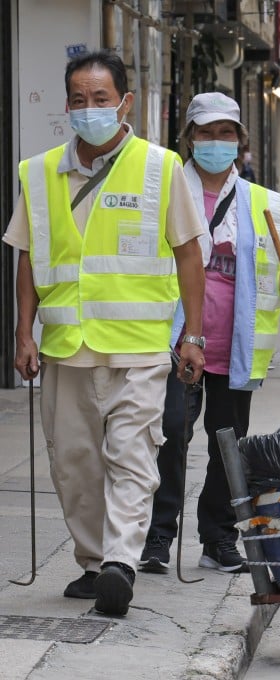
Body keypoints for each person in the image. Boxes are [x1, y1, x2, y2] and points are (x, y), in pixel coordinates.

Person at [3, 50, 207, 616]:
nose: (89, 109)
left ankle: (121, 561)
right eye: (78, 99)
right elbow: (27, 260)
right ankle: (95, 564)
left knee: (132, 454)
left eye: (100, 99)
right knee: (73, 463)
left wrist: (194, 336)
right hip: (65, 348)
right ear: (66, 103)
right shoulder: (38, 172)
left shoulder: (160, 167)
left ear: (125, 103)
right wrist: (24, 333)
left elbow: (189, 255)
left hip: (138, 348)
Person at [139, 92, 280, 574]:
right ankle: (157, 536)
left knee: (229, 441)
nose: (215, 142)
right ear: (188, 138)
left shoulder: (262, 202)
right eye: (205, 132)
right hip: (176, 340)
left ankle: (217, 537)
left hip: (236, 348)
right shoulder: (165, 191)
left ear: (239, 140)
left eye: (225, 133)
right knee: (170, 431)